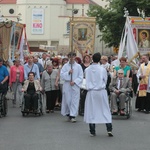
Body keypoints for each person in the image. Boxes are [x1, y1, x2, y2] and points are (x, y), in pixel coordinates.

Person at [84, 53, 113, 137]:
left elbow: (86, 79)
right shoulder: (102, 69)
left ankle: (92, 130)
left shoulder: (87, 69)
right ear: (100, 59)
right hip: (100, 91)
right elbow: (105, 80)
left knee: (92, 110)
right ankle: (109, 128)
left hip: (91, 92)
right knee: (104, 109)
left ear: (92, 59)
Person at [60, 52, 83, 123]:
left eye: (73, 56)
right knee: (68, 100)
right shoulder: (65, 66)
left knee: (74, 100)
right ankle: (69, 113)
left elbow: (80, 76)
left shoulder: (78, 66)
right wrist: (68, 73)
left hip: (75, 85)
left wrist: (75, 81)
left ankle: (73, 115)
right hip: (67, 84)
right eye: (70, 56)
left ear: (75, 57)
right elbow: (62, 75)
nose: (71, 58)